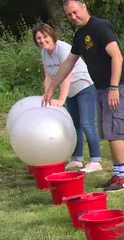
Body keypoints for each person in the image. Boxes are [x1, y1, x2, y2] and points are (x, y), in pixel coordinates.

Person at [42, 0, 124, 191]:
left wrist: (113, 87)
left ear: (84, 7)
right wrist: (51, 87)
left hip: (117, 87)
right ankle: (118, 174)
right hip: (100, 87)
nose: (73, 17)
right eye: (69, 15)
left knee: (116, 131)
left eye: (75, 12)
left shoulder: (100, 27)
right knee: (109, 132)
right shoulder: (79, 36)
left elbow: (116, 56)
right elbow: (68, 63)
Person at [34, 21, 100, 172]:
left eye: (44, 37)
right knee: (74, 125)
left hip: (84, 87)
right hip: (71, 92)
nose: (42, 40)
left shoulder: (62, 48)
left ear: (51, 35)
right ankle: (77, 159)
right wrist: (48, 96)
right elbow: (48, 77)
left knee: (86, 124)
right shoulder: (44, 53)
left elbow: (67, 75)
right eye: (38, 38)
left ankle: (95, 161)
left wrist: (62, 99)